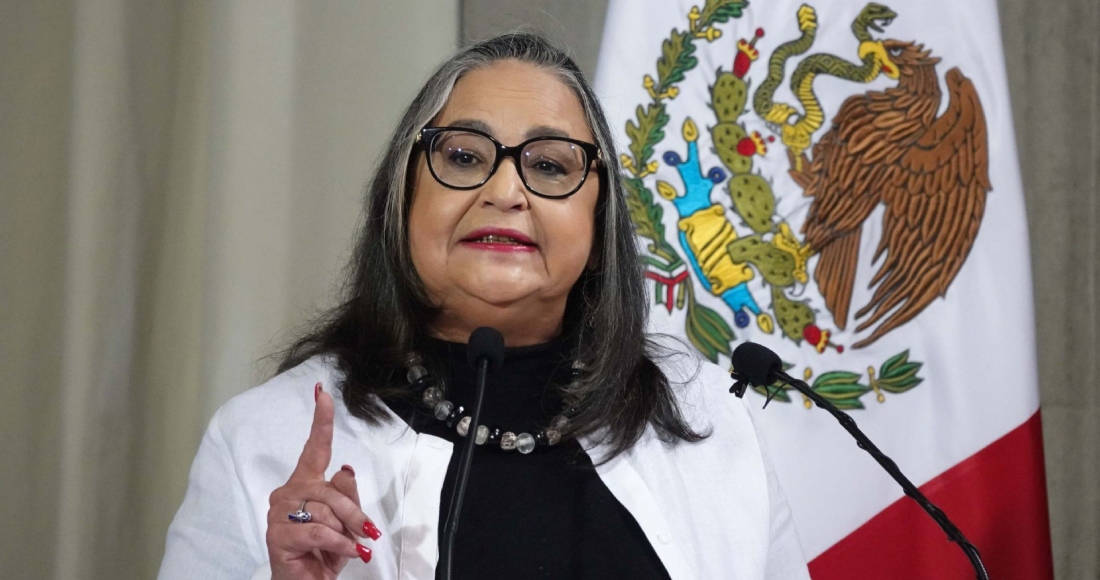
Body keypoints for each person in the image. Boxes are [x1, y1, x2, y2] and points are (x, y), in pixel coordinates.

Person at [158, 33, 810, 580]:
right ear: (402, 198)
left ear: (600, 221)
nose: (505, 190)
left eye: (551, 166)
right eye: (464, 156)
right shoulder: (265, 440)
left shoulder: (703, 420)